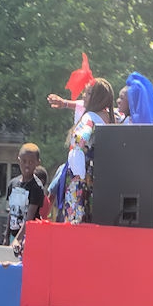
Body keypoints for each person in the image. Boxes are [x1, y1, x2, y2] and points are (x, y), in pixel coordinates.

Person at [59, 79, 115, 224]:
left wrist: (77, 145)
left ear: (97, 97)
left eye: (88, 93)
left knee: (75, 221)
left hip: (81, 179)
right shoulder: (109, 118)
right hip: (101, 180)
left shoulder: (89, 118)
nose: (84, 95)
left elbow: (80, 139)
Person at [4, 143, 45, 254]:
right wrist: (6, 236)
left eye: (31, 162)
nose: (27, 165)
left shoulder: (36, 187)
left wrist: (18, 239)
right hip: (13, 235)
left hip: (28, 238)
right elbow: (10, 213)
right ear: (19, 160)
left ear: (37, 163)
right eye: (24, 161)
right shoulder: (13, 184)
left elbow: (29, 218)